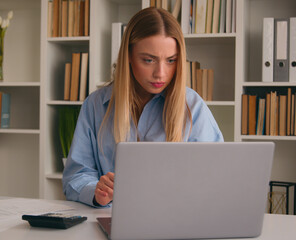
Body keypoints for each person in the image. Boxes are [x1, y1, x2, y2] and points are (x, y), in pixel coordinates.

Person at [62, 7, 223, 207]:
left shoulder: (193, 107)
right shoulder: (95, 105)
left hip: (175, 222)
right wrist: (96, 191)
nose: (160, 74)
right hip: (111, 219)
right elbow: (75, 178)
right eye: (148, 60)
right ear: (128, 55)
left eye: (171, 61)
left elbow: (214, 180)